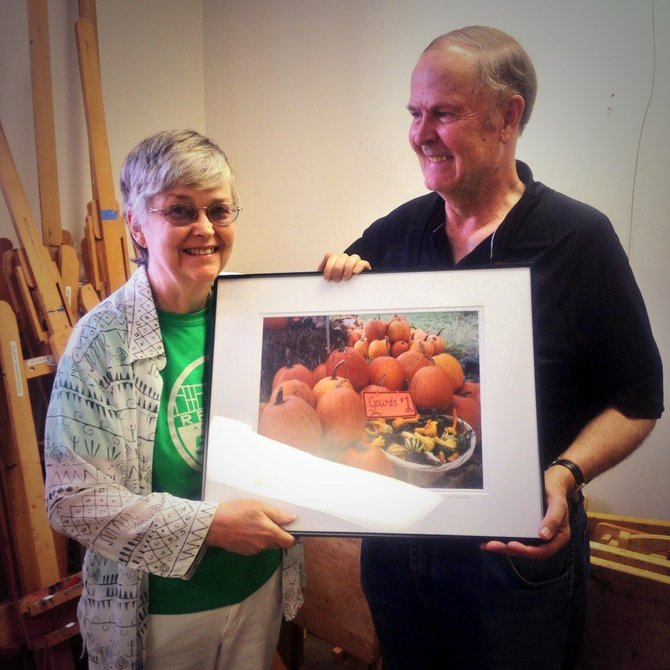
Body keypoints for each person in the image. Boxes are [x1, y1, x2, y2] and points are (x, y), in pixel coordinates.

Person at [320, 26, 664, 669]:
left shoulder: (578, 239)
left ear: (509, 117)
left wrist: (565, 474)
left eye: (444, 113)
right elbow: (351, 357)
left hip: (512, 555)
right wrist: (334, 283)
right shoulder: (396, 233)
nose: (421, 132)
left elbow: (641, 398)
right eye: (415, 113)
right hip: (397, 547)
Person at [44, 129, 299, 670]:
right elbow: (71, 499)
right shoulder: (101, 341)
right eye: (180, 210)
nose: (205, 228)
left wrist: (345, 289)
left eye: (219, 210)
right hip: (161, 614)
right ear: (136, 224)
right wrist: (208, 527)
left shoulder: (258, 315)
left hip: (256, 590)